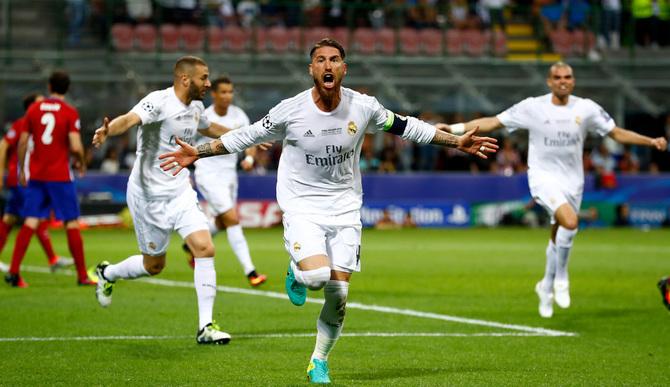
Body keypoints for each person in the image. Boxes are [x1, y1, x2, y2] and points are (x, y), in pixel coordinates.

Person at [158, 39, 498, 384]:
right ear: (312, 70)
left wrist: (457, 141)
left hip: (346, 208)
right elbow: (243, 136)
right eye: (320, 60)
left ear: (344, 68)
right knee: (318, 278)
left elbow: (407, 126)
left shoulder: (363, 107)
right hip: (302, 205)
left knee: (339, 294)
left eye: (334, 59)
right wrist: (198, 152)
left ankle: (318, 360)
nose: (328, 65)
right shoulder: (290, 110)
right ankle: (296, 268)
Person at [441, 62, 668, 318]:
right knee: (570, 222)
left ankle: (545, 285)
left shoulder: (587, 108)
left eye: (568, 77)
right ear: (549, 82)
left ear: (573, 81)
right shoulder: (533, 107)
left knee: (558, 232)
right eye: (557, 77)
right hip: (542, 177)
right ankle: (561, 277)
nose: (563, 81)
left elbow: (615, 133)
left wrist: (650, 141)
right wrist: (454, 129)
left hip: (573, 181)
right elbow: (494, 122)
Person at [91, 56, 232, 345]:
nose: (208, 84)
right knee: (153, 265)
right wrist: (108, 131)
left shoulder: (196, 107)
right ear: (184, 79)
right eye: (204, 78)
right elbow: (129, 120)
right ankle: (108, 273)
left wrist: (246, 136)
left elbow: (208, 128)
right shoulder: (158, 101)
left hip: (180, 192)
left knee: (205, 248)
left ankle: (205, 326)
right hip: (148, 196)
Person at [5, 72, 95, 287]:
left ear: (49, 86)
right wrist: (81, 161)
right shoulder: (69, 112)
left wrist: (21, 170)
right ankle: (82, 275)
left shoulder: (34, 109)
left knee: (30, 220)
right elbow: (74, 145)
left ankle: (14, 272)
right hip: (60, 176)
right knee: (71, 222)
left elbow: (23, 142)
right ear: (67, 88)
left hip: (36, 175)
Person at [187, 76, 267, 287]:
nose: (227, 96)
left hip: (229, 175)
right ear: (214, 94)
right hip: (207, 174)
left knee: (223, 222)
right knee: (232, 218)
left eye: (230, 92)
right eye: (223, 92)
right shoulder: (204, 117)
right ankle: (251, 272)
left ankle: (191, 243)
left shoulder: (239, 115)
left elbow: (249, 139)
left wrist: (249, 158)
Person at [0, 93, 73, 278]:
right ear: (31, 106)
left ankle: (52, 258)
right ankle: (51, 259)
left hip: (20, 179)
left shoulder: (34, 124)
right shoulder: (23, 124)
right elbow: (4, 145)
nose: (45, 105)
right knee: (35, 218)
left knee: (9, 218)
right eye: (41, 103)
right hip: (24, 179)